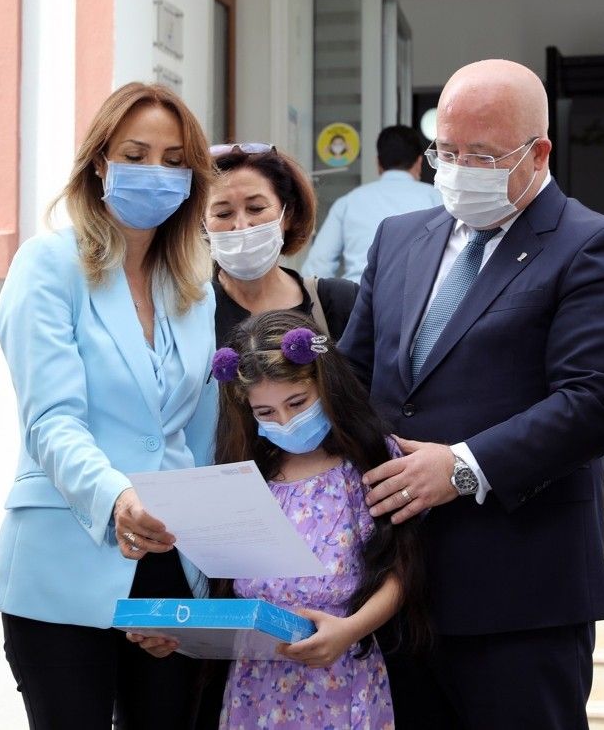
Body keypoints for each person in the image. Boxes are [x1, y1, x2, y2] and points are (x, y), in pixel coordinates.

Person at [338, 59, 604, 729]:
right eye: (445, 152)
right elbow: (353, 379)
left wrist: (461, 467)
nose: (458, 170)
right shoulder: (400, 237)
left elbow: (593, 402)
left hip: (521, 594)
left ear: (539, 153)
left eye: (481, 156)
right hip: (397, 583)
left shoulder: (596, 245)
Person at [0, 82, 219, 730]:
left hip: (169, 564)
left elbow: (198, 439)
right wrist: (117, 497)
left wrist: (207, 574)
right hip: (64, 559)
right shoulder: (47, 265)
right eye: (136, 155)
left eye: (175, 161)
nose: (156, 173)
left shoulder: (194, 286)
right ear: (99, 162)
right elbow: (50, 420)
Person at [130, 310, 431, 729]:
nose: (286, 422)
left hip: (341, 675)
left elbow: (400, 570)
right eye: (266, 412)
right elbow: (230, 599)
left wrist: (350, 629)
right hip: (256, 686)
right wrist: (181, 637)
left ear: (325, 385)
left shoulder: (369, 464)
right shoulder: (244, 478)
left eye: (297, 403)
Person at [206, 143, 358, 344]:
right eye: (223, 213)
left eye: (256, 208)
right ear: (202, 224)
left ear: (288, 215)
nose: (242, 225)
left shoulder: (339, 302)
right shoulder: (189, 312)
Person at [302, 125, 442, 282]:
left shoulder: (348, 202)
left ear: (378, 163)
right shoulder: (438, 199)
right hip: (419, 295)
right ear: (419, 162)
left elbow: (316, 267)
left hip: (358, 293)